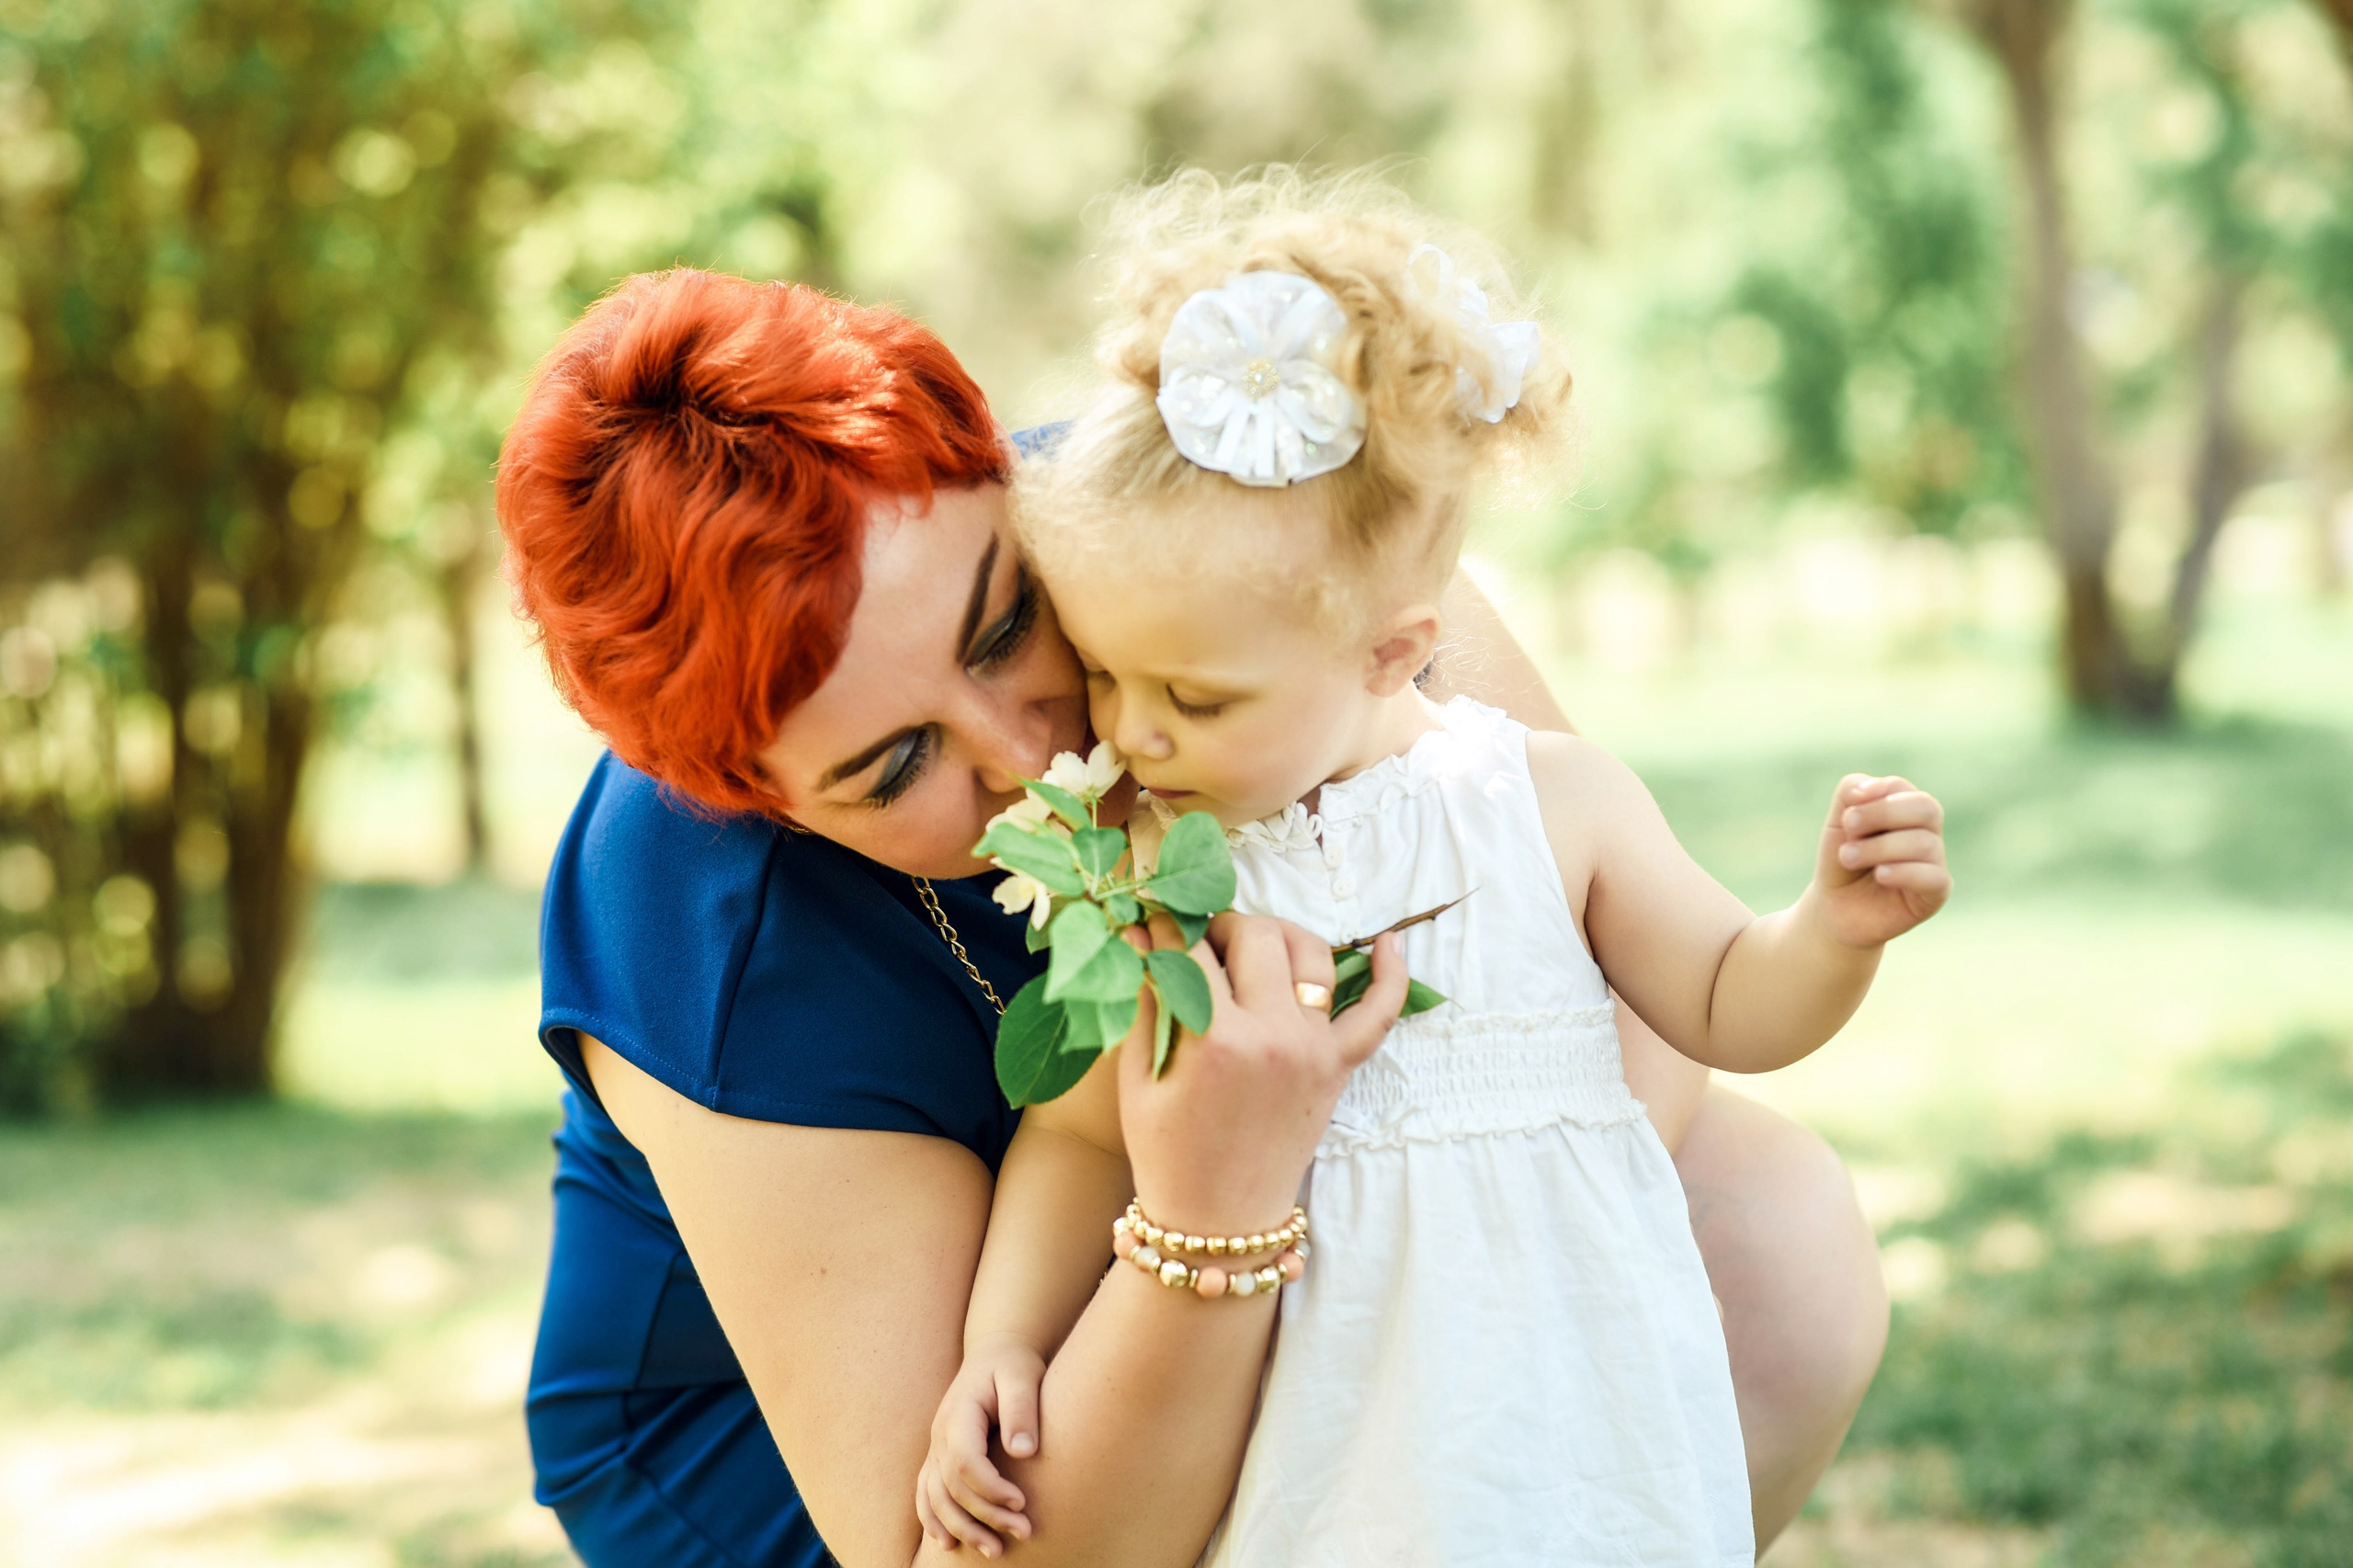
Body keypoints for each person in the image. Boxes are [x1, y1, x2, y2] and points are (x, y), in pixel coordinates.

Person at [496, 257, 1889, 1568]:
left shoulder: (1234, 529)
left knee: (1768, 1229)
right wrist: (1215, 1209)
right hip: (824, 1456)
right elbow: (979, 1550)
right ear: (753, 794)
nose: (1028, 750)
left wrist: (1417, 1281)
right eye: (897, 764)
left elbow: (1622, 992)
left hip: (1288, 1217)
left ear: (1006, 481)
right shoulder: (703, 910)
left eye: (1003, 626)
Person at [918, 172, 1950, 1566]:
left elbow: (1725, 998)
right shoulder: (1157, 870)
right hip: (1328, 1436)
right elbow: (1084, 1133)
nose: (1133, 727)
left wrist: (1832, 926)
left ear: (1395, 651)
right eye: (1104, 670)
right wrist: (1000, 1345)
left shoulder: (1546, 801)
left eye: (1197, 696)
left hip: (1567, 1399)